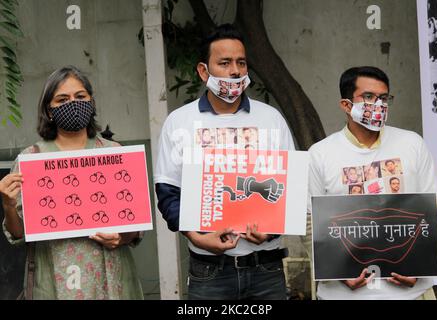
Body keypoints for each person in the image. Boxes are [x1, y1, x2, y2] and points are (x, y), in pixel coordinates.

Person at [154, 24, 295, 300]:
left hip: (266, 270)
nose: (235, 71)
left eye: (241, 63)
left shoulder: (271, 119)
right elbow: (168, 193)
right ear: (203, 71)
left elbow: (290, 187)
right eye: (225, 62)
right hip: (210, 272)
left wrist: (271, 230)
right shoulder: (179, 123)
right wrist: (195, 236)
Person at [0, 66, 144, 300]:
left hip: (109, 274)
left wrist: (122, 238)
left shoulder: (113, 152)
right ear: (49, 110)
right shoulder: (31, 159)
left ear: (91, 102)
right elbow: (20, 233)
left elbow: (134, 223)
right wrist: (7, 205)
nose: (73, 103)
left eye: (80, 97)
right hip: (54, 277)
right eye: (62, 99)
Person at [308, 66, 437, 300]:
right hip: (343, 295)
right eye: (368, 97)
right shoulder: (320, 154)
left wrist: (419, 267)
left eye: (383, 98)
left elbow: (435, 209)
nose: (378, 104)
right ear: (346, 105)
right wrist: (339, 273)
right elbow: (311, 223)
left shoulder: (412, 144)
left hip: (410, 293)